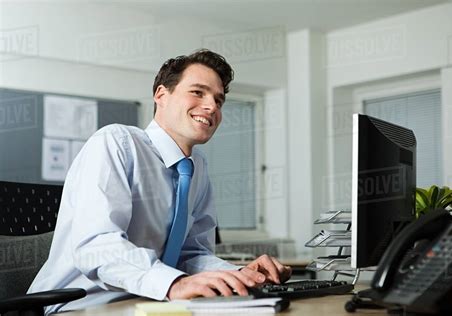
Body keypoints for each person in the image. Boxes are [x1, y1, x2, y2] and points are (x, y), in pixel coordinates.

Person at [28, 49, 291, 314]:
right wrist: (174, 283)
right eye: (198, 92)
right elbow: (98, 245)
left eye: (219, 100)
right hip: (78, 305)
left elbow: (190, 254)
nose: (212, 106)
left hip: (147, 301)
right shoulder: (116, 143)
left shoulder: (197, 168)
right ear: (162, 96)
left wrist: (238, 274)